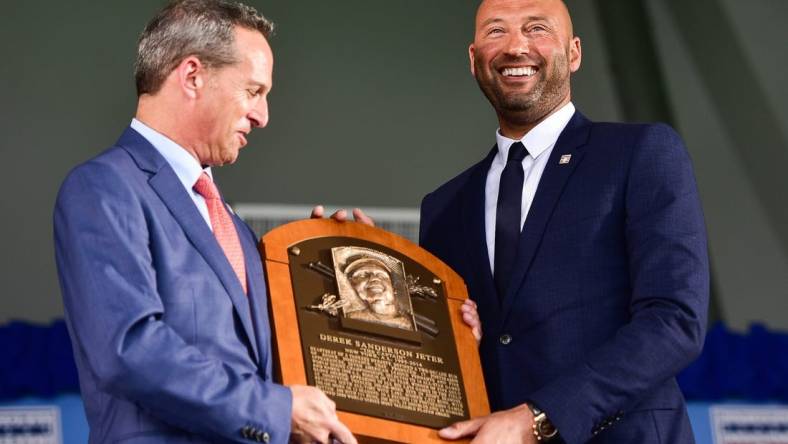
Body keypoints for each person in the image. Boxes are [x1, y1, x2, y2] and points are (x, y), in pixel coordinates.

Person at [53, 1, 360, 443]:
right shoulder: (103, 187)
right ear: (193, 75)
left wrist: (329, 271)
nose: (263, 115)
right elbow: (130, 348)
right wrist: (276, 410)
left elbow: (263, 361)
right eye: (254, 91)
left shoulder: (233, 227)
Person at [419, 0, 709, 442]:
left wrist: (538, 417)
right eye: (496, 31)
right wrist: (358, 249)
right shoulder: (442, 208)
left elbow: (674, 320)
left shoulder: (640, 154)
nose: (516, 46)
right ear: (474, 58)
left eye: (537, 28)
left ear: (573, 53)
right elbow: (448, 350)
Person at [343, 256, 415, 331]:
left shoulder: (407, 319)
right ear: (352, 285)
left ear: (394, 288)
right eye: (362, 275)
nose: (374, 278)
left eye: (381, 275)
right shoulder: (352, 317)